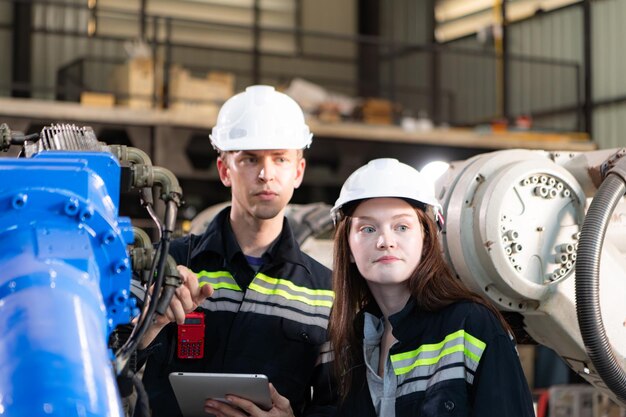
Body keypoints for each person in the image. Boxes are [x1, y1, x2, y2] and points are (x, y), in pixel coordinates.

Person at [136, 85, 336, 417]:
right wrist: (149, 322)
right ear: (225, 170)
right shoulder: (166, 265)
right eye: (249, 158)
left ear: (298, 172)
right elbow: (111, 372)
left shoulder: (326, 290)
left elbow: (336, 405)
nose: (266, 174)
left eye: (280, 159)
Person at [328, 158, 535, 417]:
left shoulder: (471, 326)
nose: (385, 241)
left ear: (427, 240)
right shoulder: (352, 340)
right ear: (347, 247)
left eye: (401, 227)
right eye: (368, 228)